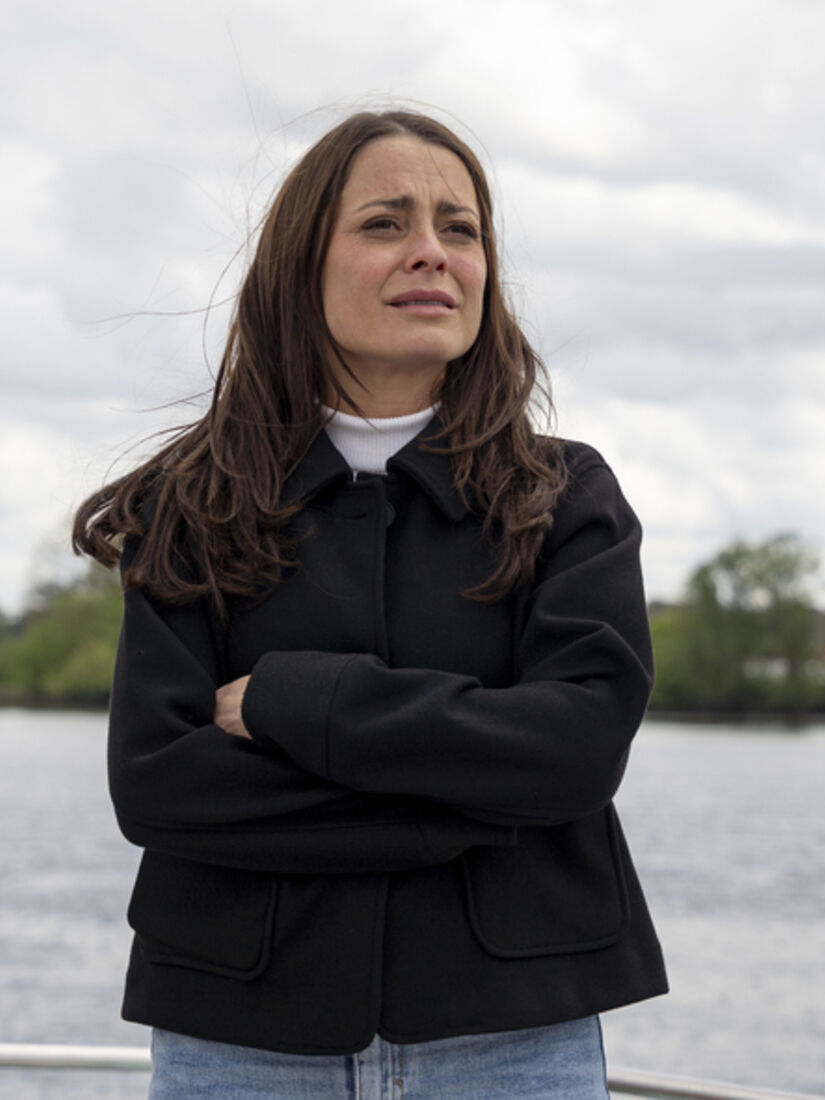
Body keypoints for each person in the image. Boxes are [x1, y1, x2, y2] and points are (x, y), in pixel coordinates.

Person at [73, 108, 667, 1099]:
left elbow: (576, 749)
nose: (432, 252)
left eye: (460, 228)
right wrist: (470, 800)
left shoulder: (566, 494)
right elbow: (160, 784)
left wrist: (291, 701)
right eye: (386, 223)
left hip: (512, 1035)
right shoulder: (193, 500)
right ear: (302, 266)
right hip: (239, 1039)